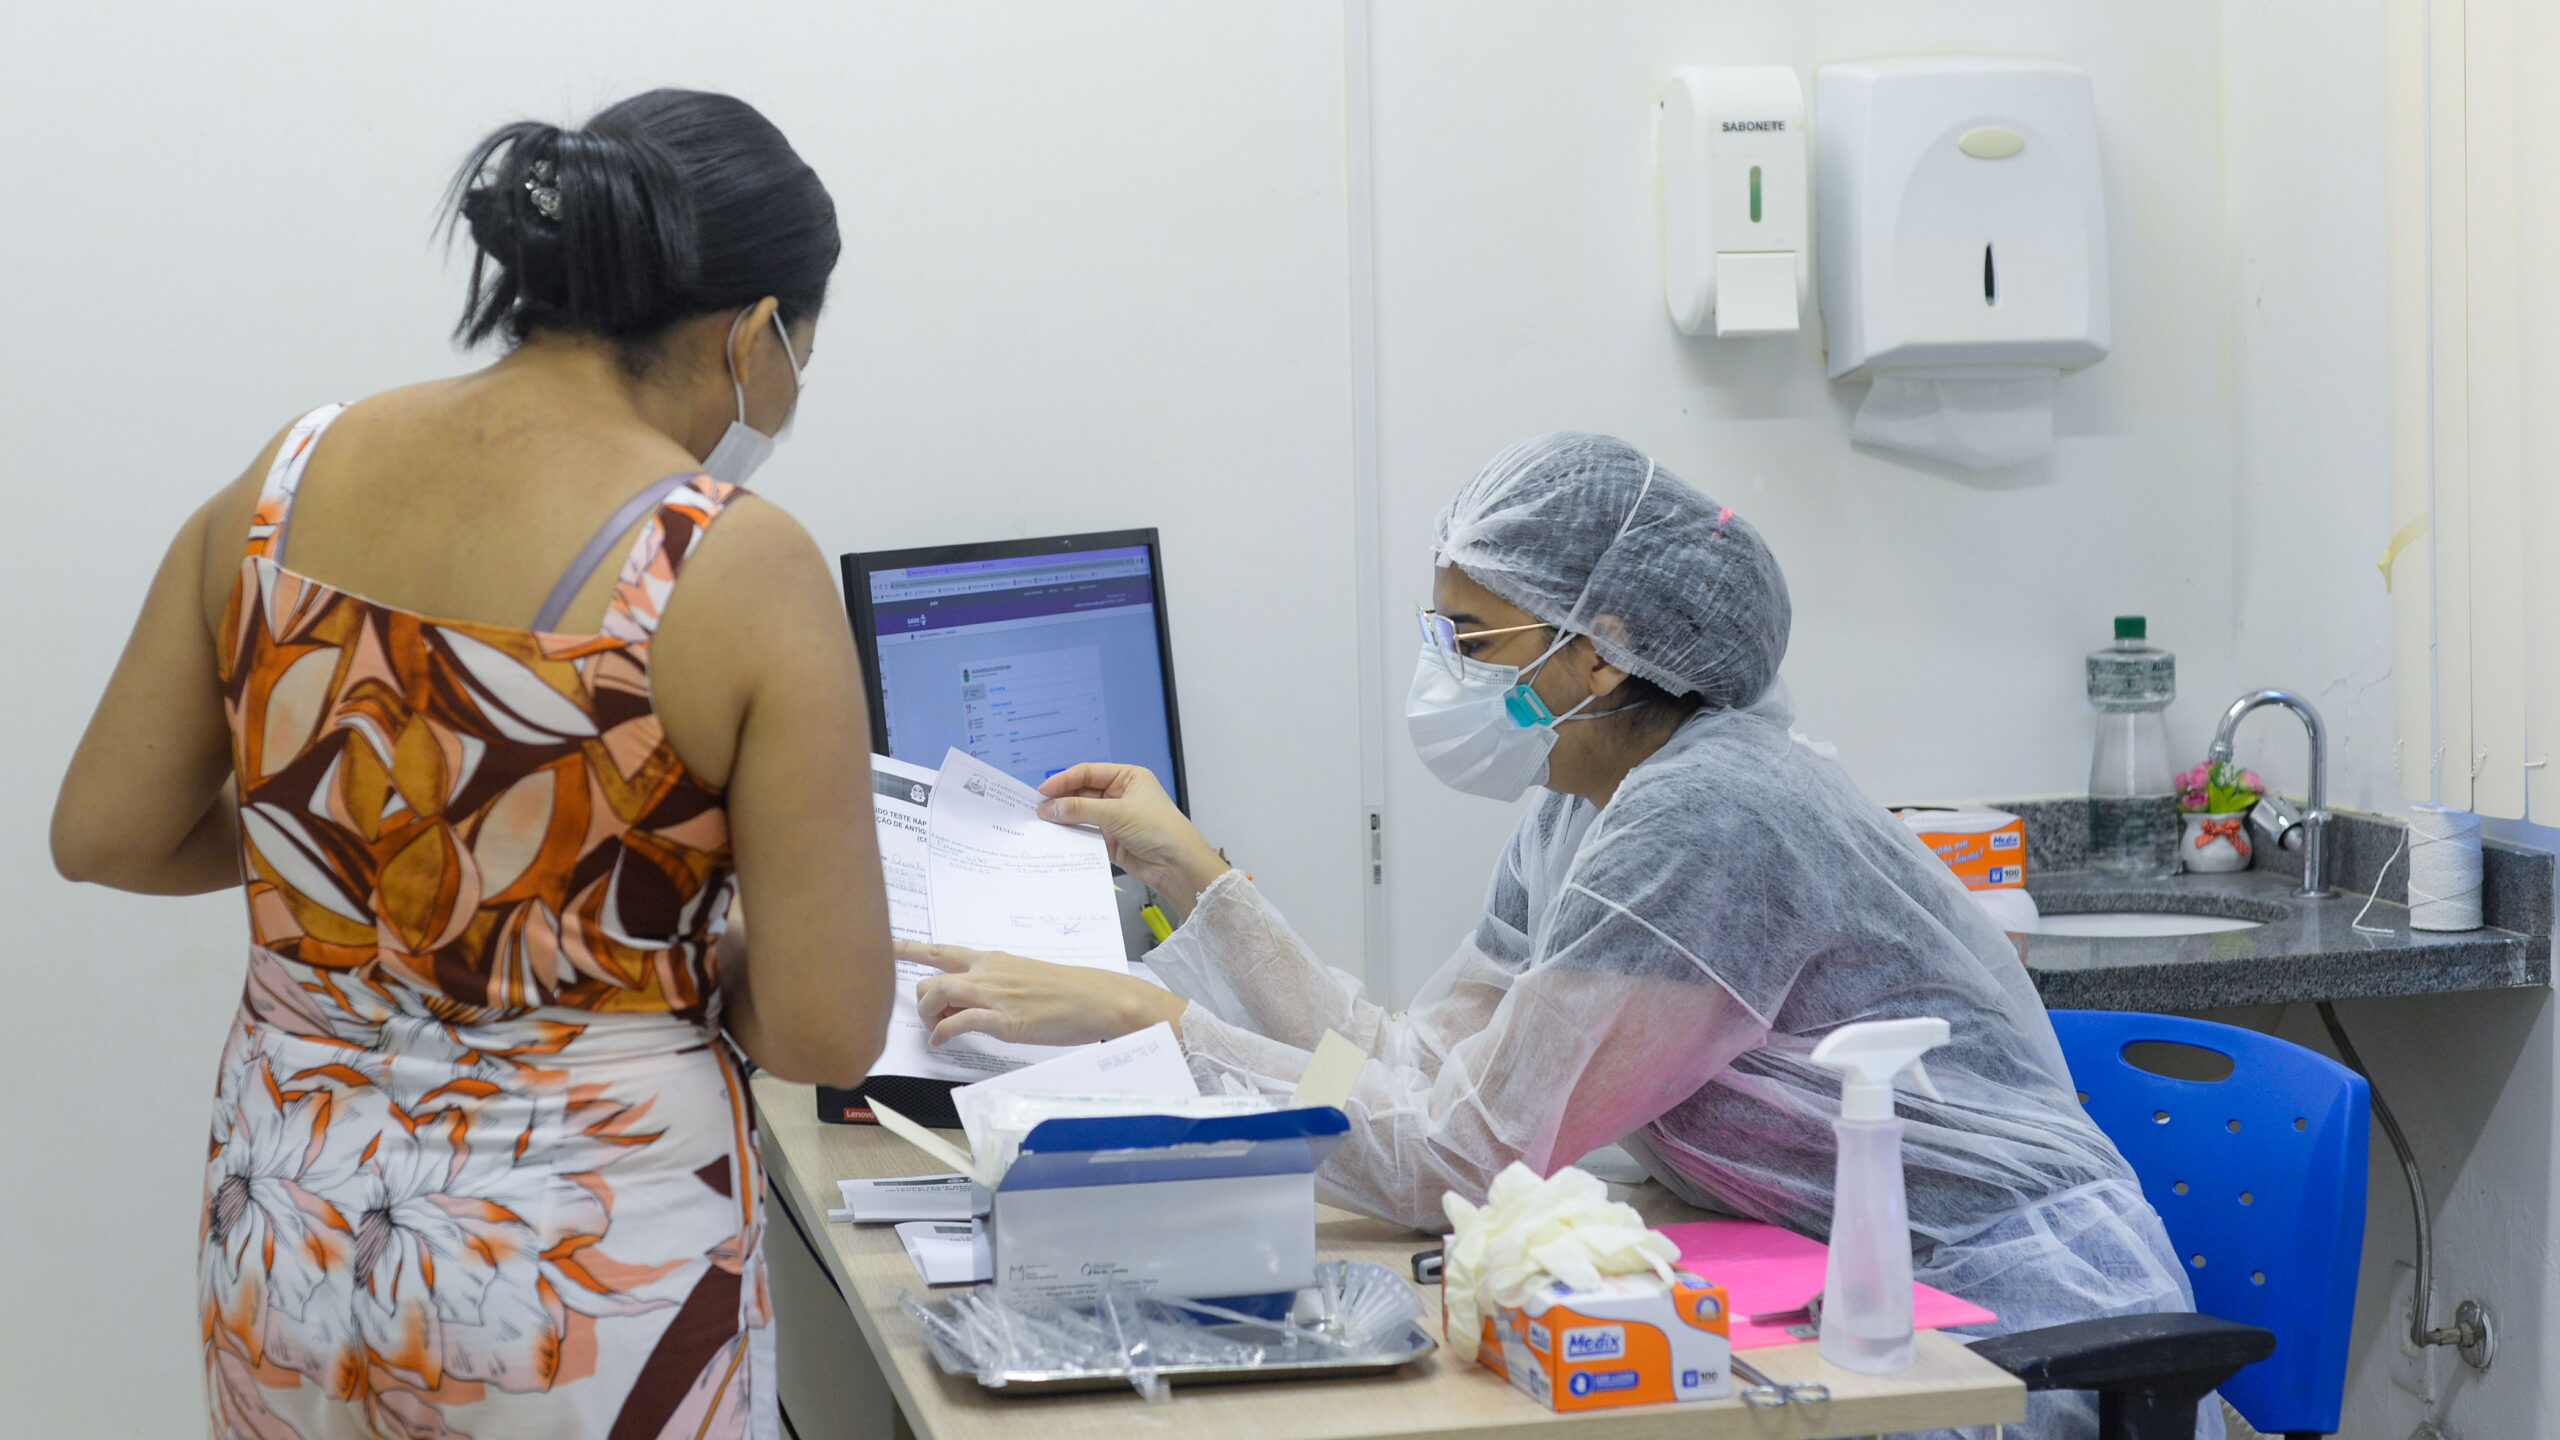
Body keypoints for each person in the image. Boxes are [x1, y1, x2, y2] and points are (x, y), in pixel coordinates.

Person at [906, 433, 2217, 1440]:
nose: (1445, 671)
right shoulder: (1580, 806)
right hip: (1840, 1289)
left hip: (2006, 1326)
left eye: (1475, 639)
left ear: (1603, 653)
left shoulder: (1708, 815)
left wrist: (1164, 1024)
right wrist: (1195, 875)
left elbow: (1453, 1156)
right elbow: (1413, 1067)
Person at [51, 91, 894, 1438]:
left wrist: (362, 859)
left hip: (294, 1231)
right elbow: (823, 1027)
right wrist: (656, 943)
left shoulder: (288, 479)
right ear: (752, 336)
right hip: (564, 1265)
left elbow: (108, 832)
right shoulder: (729, 564)